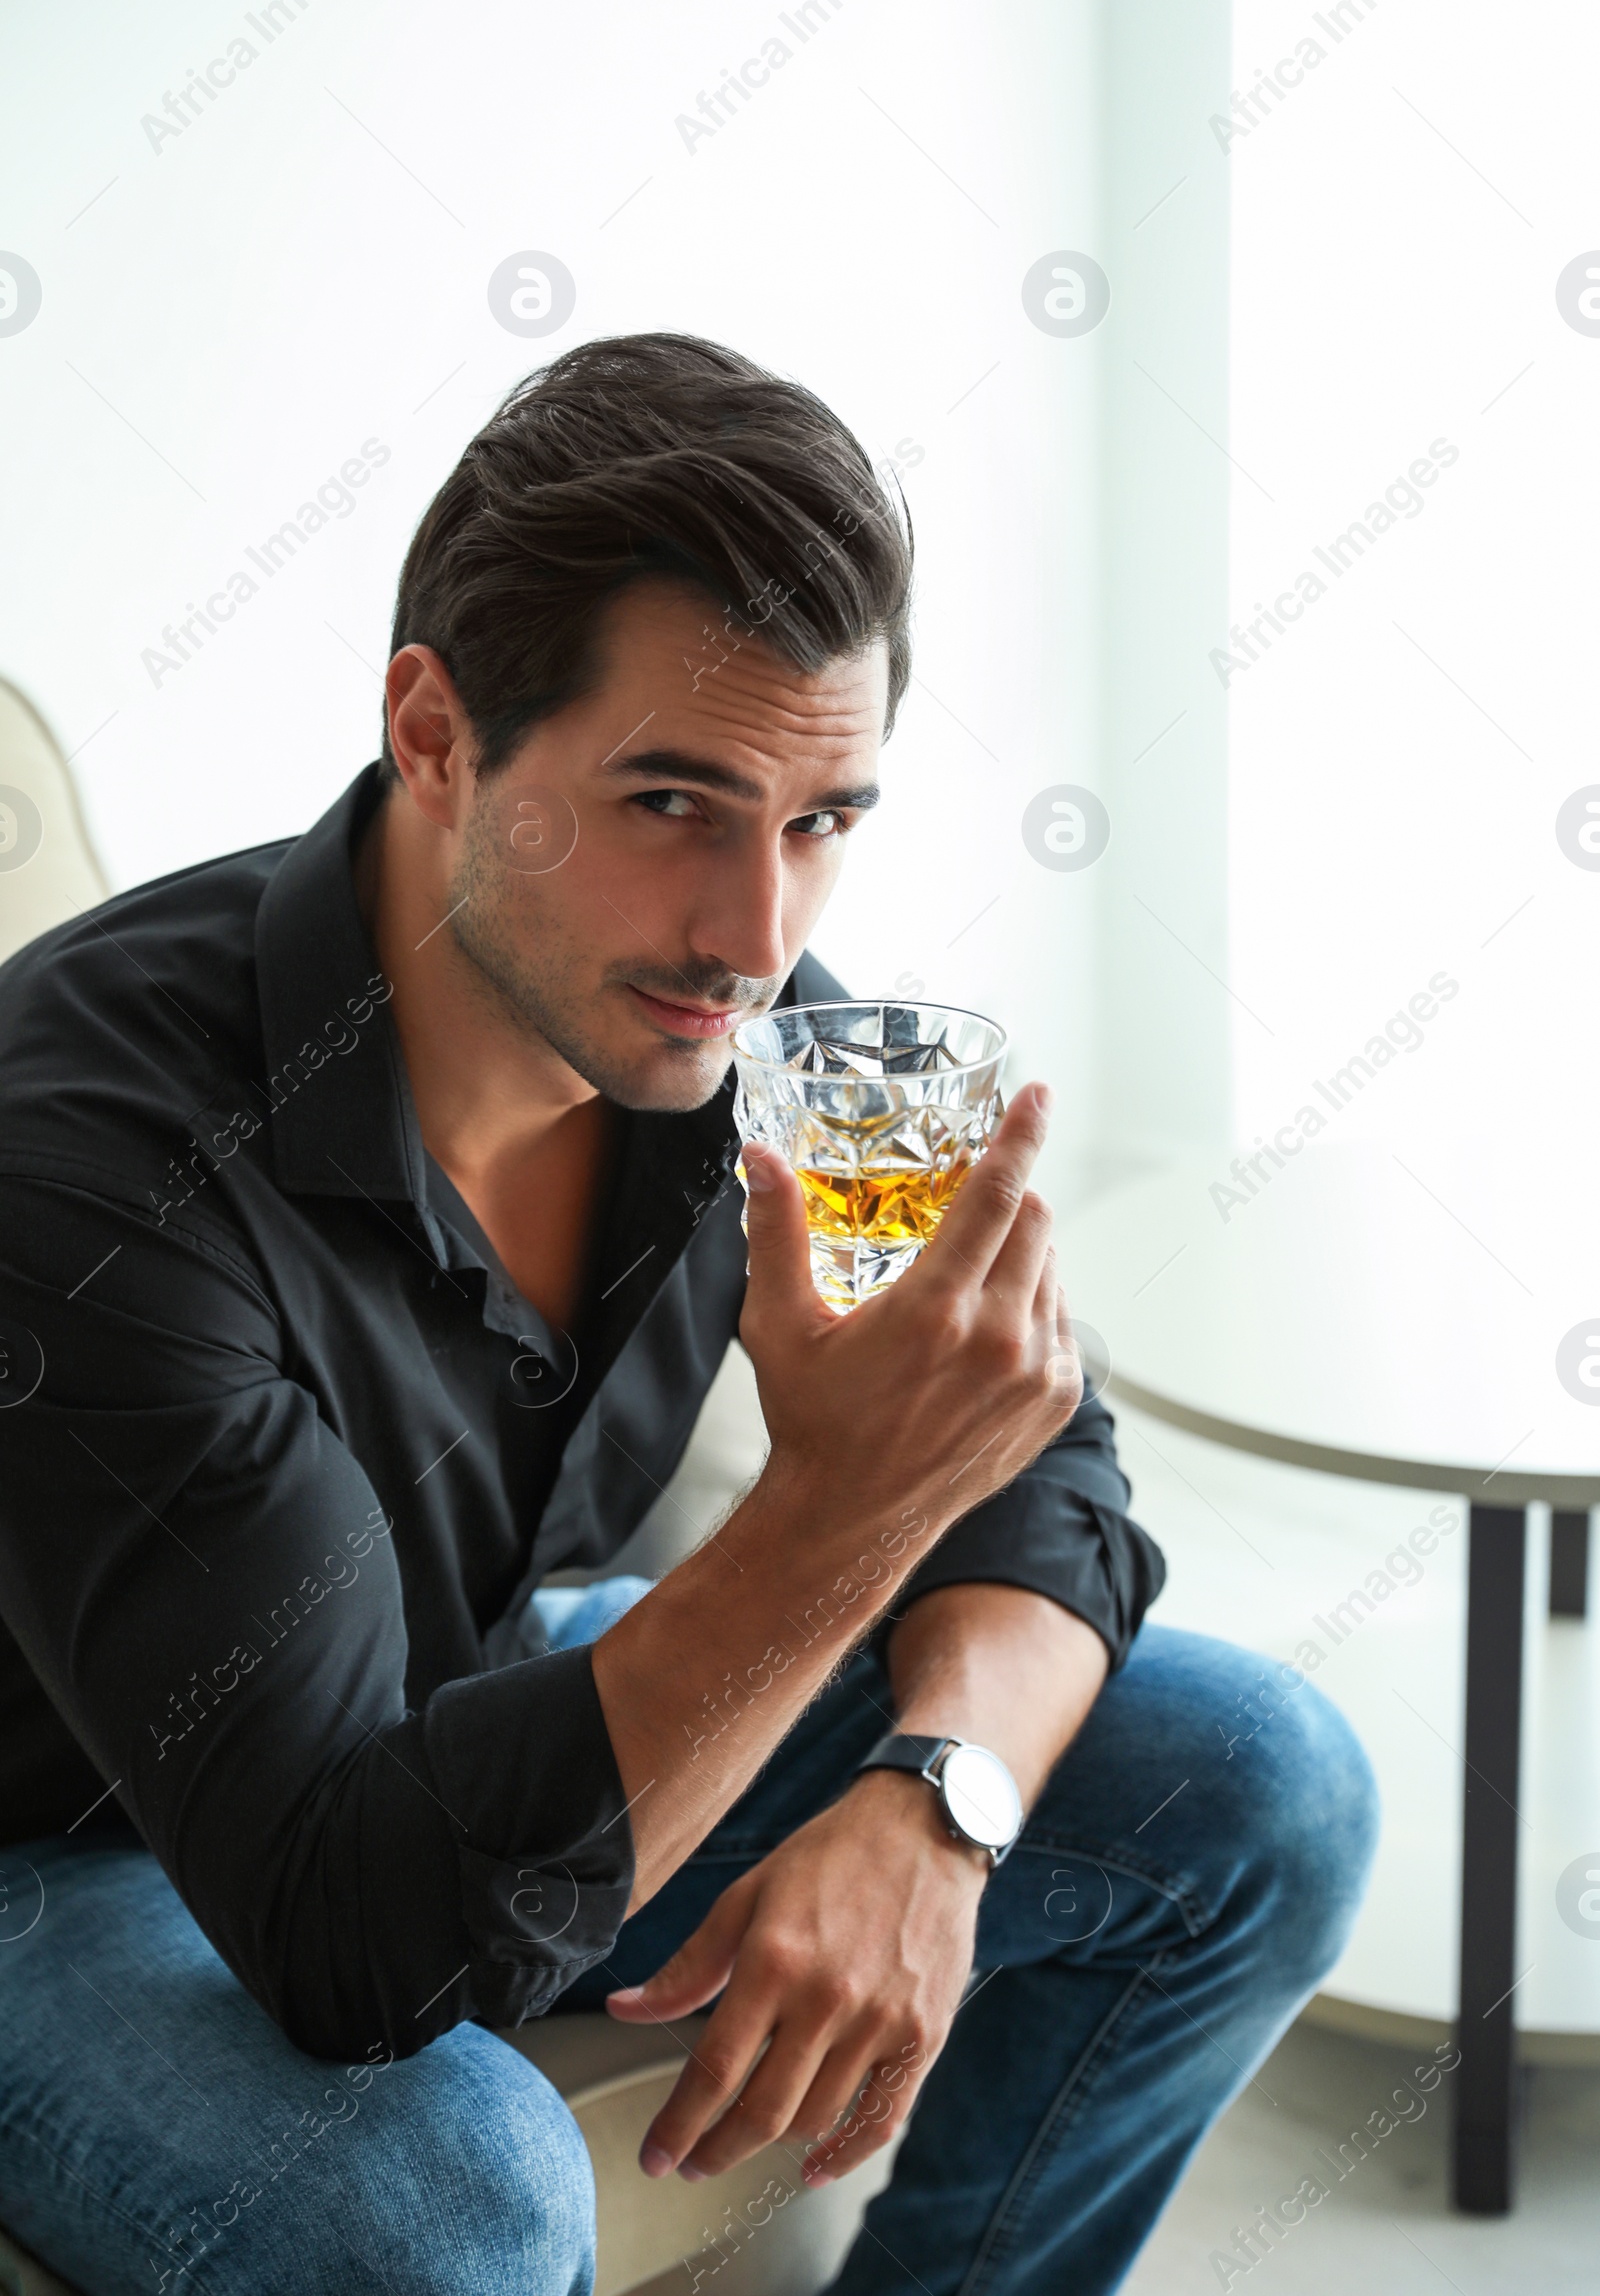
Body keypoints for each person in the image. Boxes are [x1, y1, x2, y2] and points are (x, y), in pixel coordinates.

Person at [0, 332, 1377, 2296]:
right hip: (53, 1836)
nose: (761, 935)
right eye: (673, 801)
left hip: (450, 1681)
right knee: (438, 2200)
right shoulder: (88, 1171)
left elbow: (1030, 1466)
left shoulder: (749, 1039)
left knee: (1262, 1779)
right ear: (434, 732)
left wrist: (937, 1802)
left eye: (820, 821)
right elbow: (346, 1934)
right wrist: (824, 1532)